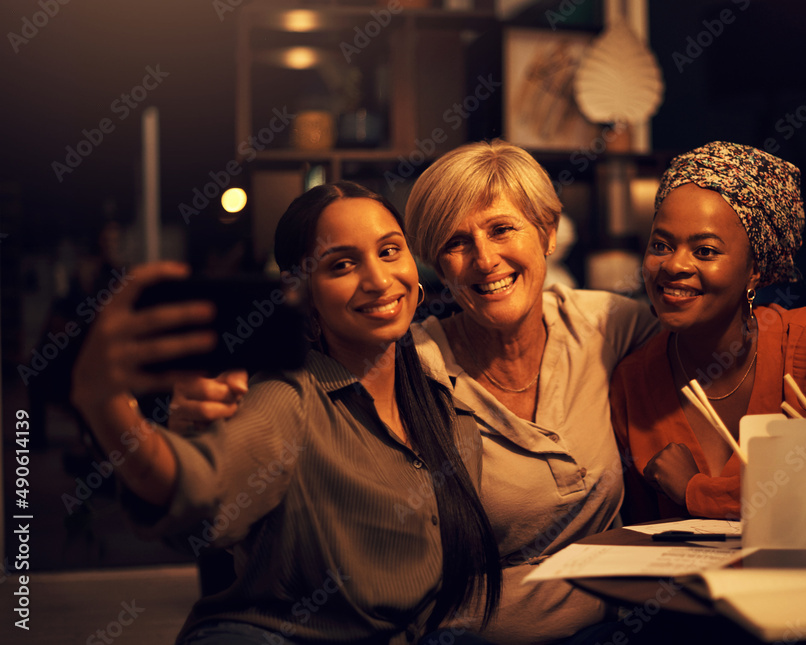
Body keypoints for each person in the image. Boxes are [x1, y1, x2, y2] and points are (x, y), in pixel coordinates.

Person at [175, 140, 806, 644]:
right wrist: (213, 409)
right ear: (436, 267)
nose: (483, 259)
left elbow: (711, 310)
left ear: (546, 231)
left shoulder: (610, 325)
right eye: (455, 242)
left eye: (501, 229)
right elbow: (312, 393)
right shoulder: (414, 364)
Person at [69, 181, 501, 644]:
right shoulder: (289, 397)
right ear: (303, 291)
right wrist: (104, 401)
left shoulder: (438, 400)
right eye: (342, 264)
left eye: (390, 250)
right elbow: (195, 488)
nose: (377, 279)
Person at [610, 141, 806, 525]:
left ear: (755, 269)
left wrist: (697, 492)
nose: (674, 264)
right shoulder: (634, 382)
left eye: (705, 251)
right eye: (661, 244)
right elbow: (637, 541)